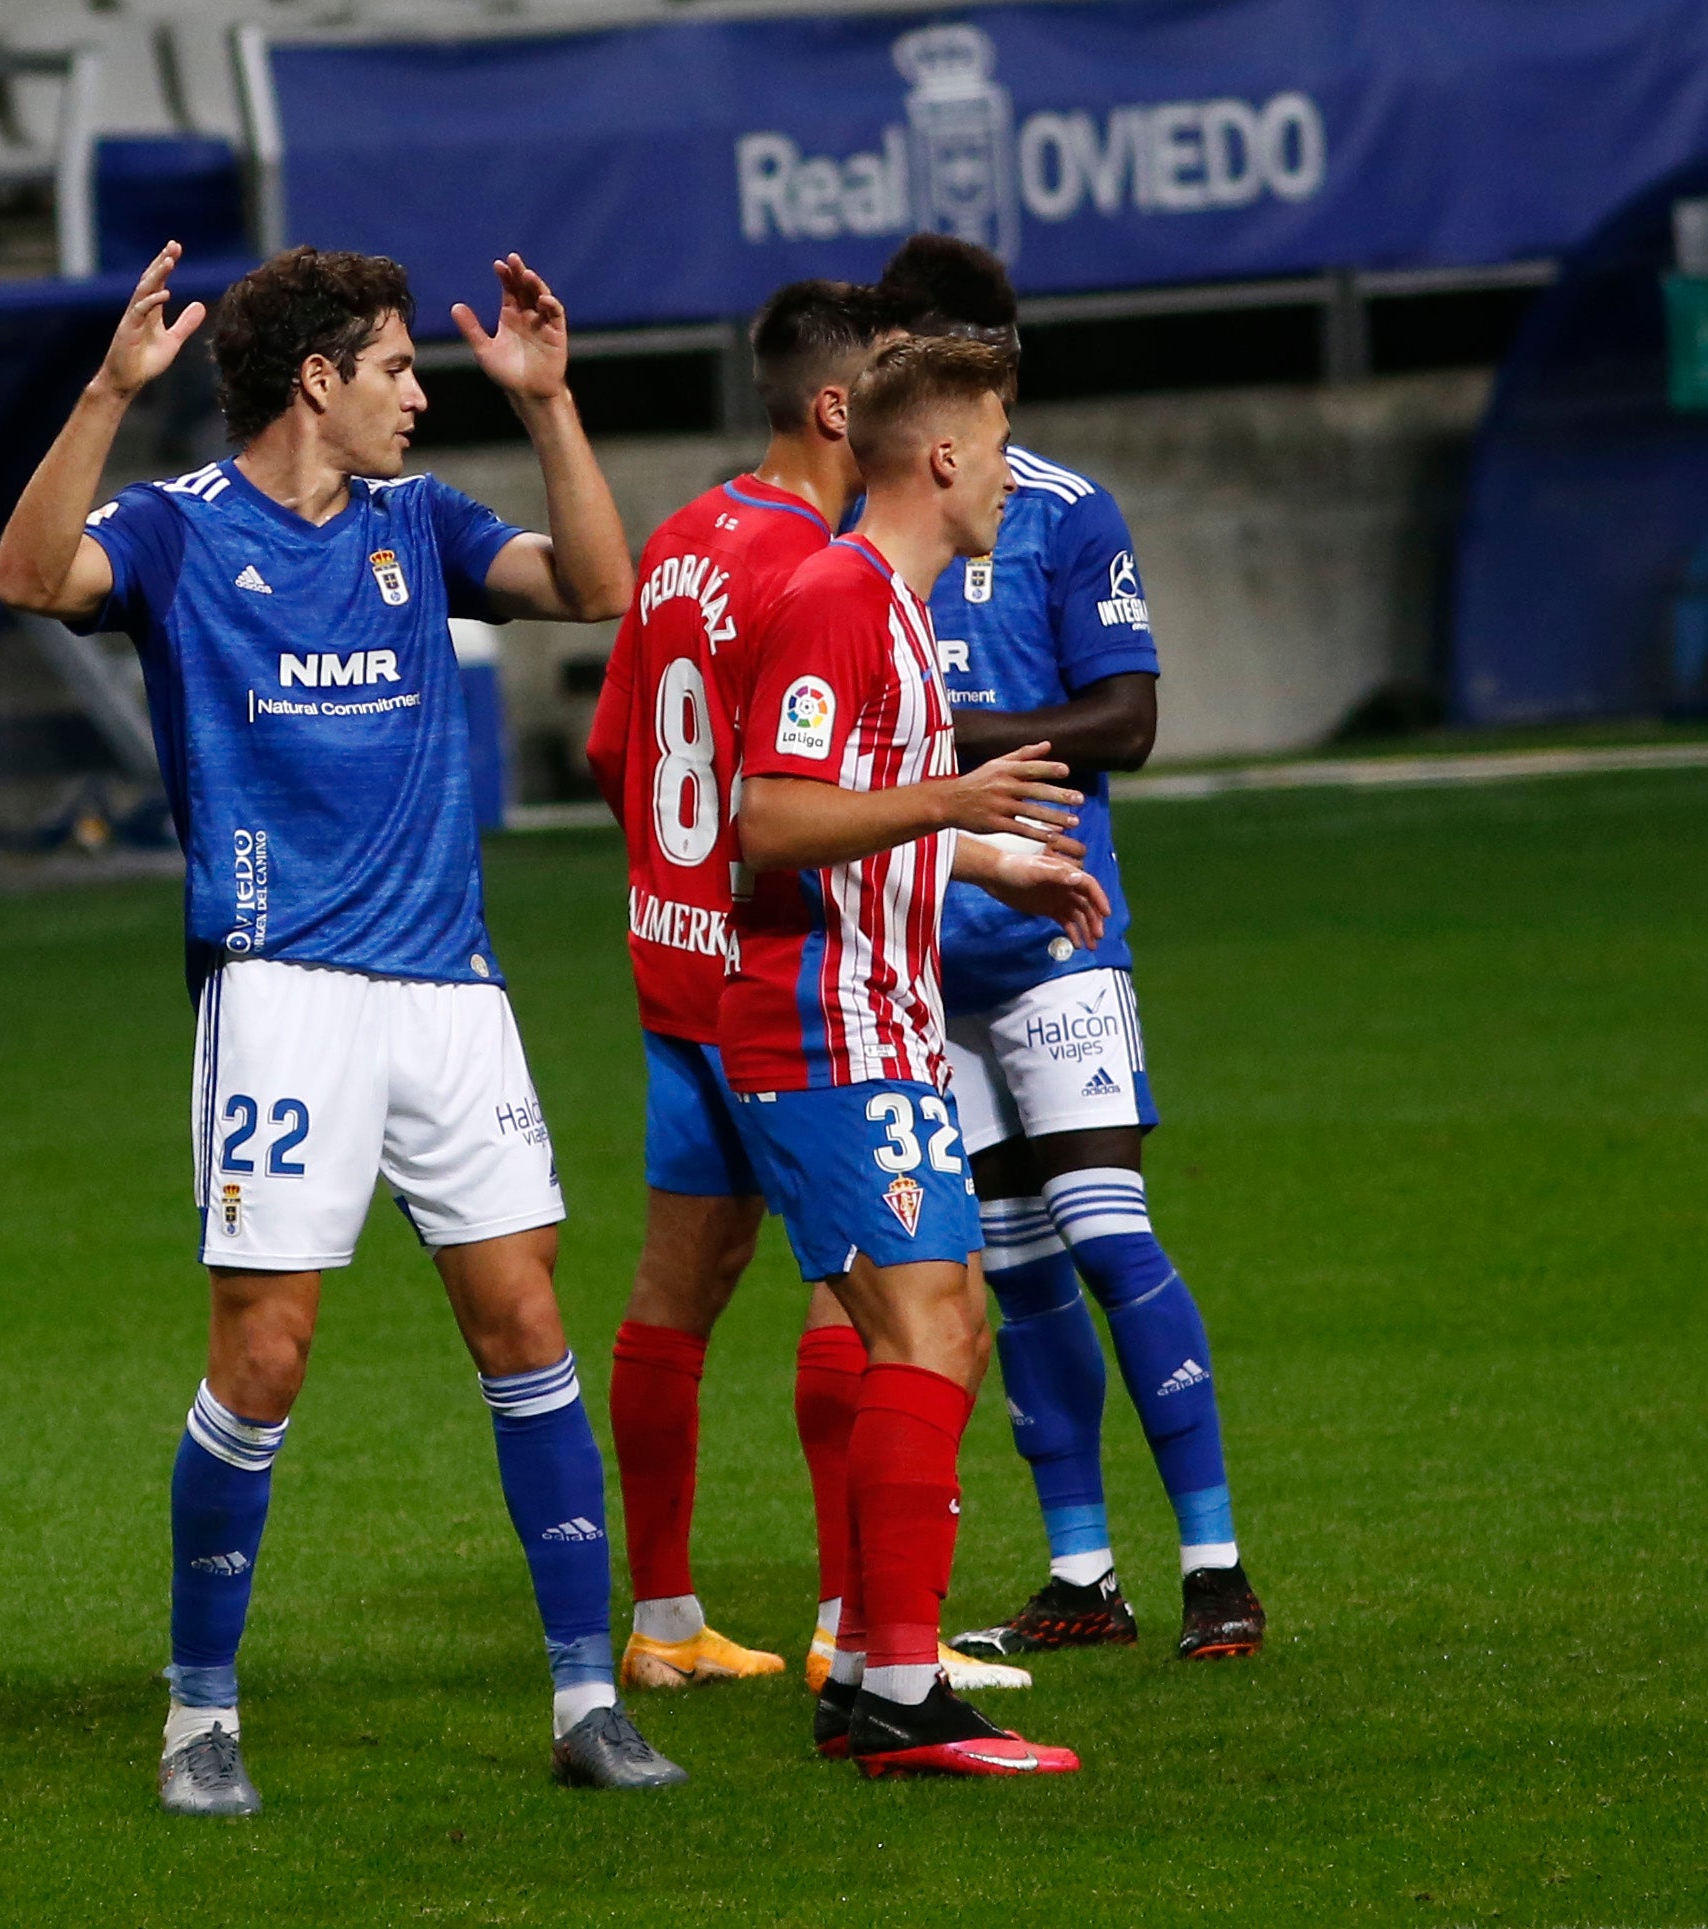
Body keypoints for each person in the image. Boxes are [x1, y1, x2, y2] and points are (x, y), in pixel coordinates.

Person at [0, 242, 662, 1814]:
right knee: (266, 1352)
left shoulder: (416, 527)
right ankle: (197, 1713)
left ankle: (582, 1693)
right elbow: (30, 578)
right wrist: (103, 392)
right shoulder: (170, 533)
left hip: (448, 990)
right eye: (394, 368)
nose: (420, 396)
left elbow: (592, 588)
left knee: (524, 1327)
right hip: (277, 988)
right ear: (316, 381)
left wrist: (551, 408)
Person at [872, 237, 1265, 1666]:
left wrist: (937, 748)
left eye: (902, 342)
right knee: (1014, 1266)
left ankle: (1214, 1563)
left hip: (1051, 935)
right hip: (916, 950)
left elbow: (1127, 722)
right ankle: (1081, 1570)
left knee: (1104, 1235)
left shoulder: (1059, 511)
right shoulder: (855, 535)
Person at [721, 334, 1104, 1777]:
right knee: (930, 1325)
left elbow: (863, 813)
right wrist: (952, 796)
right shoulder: (835, 597)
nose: (1009, 475)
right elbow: (766, 818)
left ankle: (874, 1676)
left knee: (926, 1322)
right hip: (823, 1024)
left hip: (871, 1018)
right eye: (998, 446)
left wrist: (982, 855)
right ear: (940, 457)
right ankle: (893, 1687)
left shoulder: (886, 601)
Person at [581, 279, 879, 1695]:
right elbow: (793, 801)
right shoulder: (815, 572)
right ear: (836, 407)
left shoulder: (682, 539)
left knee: (670, 1297)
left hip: (670, 973)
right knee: (875, 1293)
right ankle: (855, 1626)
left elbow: (609, 756)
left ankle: (660, 1621)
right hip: (781, 980)